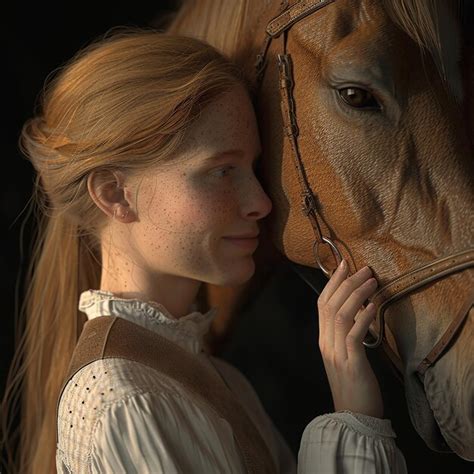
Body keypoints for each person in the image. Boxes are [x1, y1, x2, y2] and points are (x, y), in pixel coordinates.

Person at [1, 27, 407, 473]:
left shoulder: (221, 382)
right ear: (115, 194)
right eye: (221, 171)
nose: (262, 203)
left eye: (252, 168)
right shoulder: (122, 400)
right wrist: (353, 420)